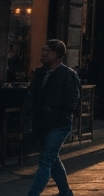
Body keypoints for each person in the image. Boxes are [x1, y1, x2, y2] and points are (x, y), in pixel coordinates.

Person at [24, 40, 80, 196]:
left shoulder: (68, 74)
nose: (43, 54)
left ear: (58, 55)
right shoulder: (39, 73)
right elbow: (32, 96)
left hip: (59, 124)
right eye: (43, 50)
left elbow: (72, 100)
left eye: (47, 51)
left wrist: (59, 114)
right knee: (52, 158)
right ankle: (65, 191)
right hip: (41, 123)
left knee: (46, 160)